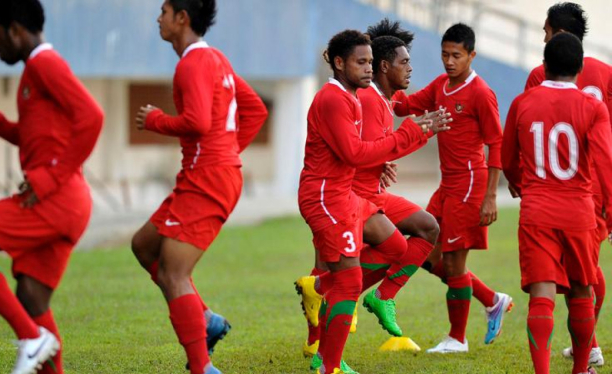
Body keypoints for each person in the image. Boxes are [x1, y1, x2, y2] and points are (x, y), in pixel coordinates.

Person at [0, 1, 104, 373]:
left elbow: (92, 117)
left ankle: (30, 338)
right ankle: (36, 337)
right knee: (32, 299)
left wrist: (50, 177)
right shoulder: (34, 71)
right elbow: (32, 137)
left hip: (56, 199)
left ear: (15, 30)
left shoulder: (44, 64)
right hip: (66, 200)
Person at [294, 19, 451, 363]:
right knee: (345, 279)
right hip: (333, 196)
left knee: (396, 246)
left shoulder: (356, 98)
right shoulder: (346, 99)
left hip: (348, 195)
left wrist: (387, 155)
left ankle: (325, 296)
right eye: (361, 62)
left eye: (368, 62)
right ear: (339, 63)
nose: (409, 68)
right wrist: (411, 135)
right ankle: (326, 358)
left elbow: (361, 149)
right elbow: (354, 152)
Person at [130, 1, 268, 374]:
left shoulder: (191, 63)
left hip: (208, 178)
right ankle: (205, 319)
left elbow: (197, 121)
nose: (158, 18)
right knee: (144, 246)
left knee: (172, 274)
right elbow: (255, 109)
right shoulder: (216, 59)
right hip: (204, 174)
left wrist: (157, 120)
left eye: (163, 11)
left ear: (182, 18)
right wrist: (226, 152)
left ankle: (201, 367)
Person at [393, 23, 512, 353]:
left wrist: (490, 196)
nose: (449, 61)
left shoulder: (481, 93)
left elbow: (496, 143)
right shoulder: (441, 86)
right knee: (425, 253)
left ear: (471, 55)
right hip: (446, 186)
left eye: (456, 55)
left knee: (454, 265)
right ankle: (491, 299)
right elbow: (405, 106)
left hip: (470, 187)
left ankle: (457, 339)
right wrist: (381, 84)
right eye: (444, 54)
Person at [502, 31, 612, 374]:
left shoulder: (523, 102)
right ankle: (581, 370)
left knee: (542, 294)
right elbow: (606, 163)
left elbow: (508, 159)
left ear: (545, 65)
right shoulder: (593, 106)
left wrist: (522, 185)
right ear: (579, 68)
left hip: (537, 210)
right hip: (579, 210)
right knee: (582, 291)